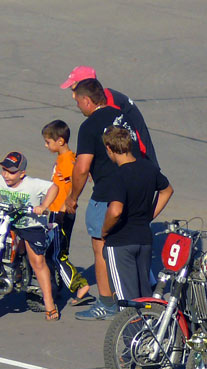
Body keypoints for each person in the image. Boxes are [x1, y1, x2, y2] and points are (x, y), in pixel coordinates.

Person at [66, 78, 138, 320]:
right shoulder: (122, 117)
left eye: (78, 102)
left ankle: (107, 303)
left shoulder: (89, 126)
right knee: (127, 247)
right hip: (134, 188)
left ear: (87, 101)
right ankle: (133, 298)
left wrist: (73, 197)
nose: (78, 106)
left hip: (107, 194)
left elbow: (82, 167)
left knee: (101, 249)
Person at [0, 152, 61, 320]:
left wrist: (44, 206)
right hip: (8, 222)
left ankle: (49, 303)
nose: (6, 175)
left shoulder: (32, 184)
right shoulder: (0, 180)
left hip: (31, 225)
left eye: (11, 171)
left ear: (22, 173)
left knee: (37, 261)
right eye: (4, 170)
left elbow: (54, 187)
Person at [100, 127, 173, 302]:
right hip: (144, 238)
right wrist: (149, 215)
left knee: (128, 302)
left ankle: (133, 329)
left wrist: (104, 231)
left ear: (109, 149)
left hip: (120, 241)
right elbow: (167, 191)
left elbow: (115, 210)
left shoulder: (117, 176)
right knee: (144, 294)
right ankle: (149, 327)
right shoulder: (148, 168)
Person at [61, 65, 158, 168]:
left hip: (141, 157)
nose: (73, 96)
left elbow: (115, 140)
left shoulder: (109, 104)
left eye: (74, 90)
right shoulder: (105, 98)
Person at [42, 120, 93, 306]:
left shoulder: (67, 161)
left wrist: (64, 205)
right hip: (59, 211)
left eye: (48, 142)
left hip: (60, 213)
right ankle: (55, 287)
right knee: (53, 252)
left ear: (60, 141)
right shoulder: (69, 158)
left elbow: (77, 179)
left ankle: (79, 285)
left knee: (56, 254)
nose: (46, 145)